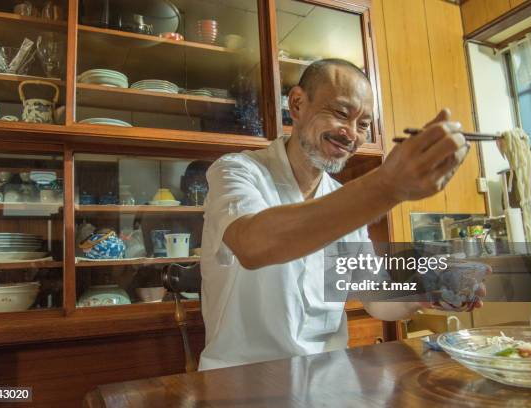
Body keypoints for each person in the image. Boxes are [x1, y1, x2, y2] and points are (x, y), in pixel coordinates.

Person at [199, 58, 481, 370]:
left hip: (327, 381)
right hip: (241, 380)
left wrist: (425, 293)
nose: (351, 134)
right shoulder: (238, 171)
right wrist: (388, 186)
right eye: (341, 114)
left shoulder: (342, 200)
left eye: (363, 125)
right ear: (297, 104)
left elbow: (376, 296)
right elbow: (252, 244)